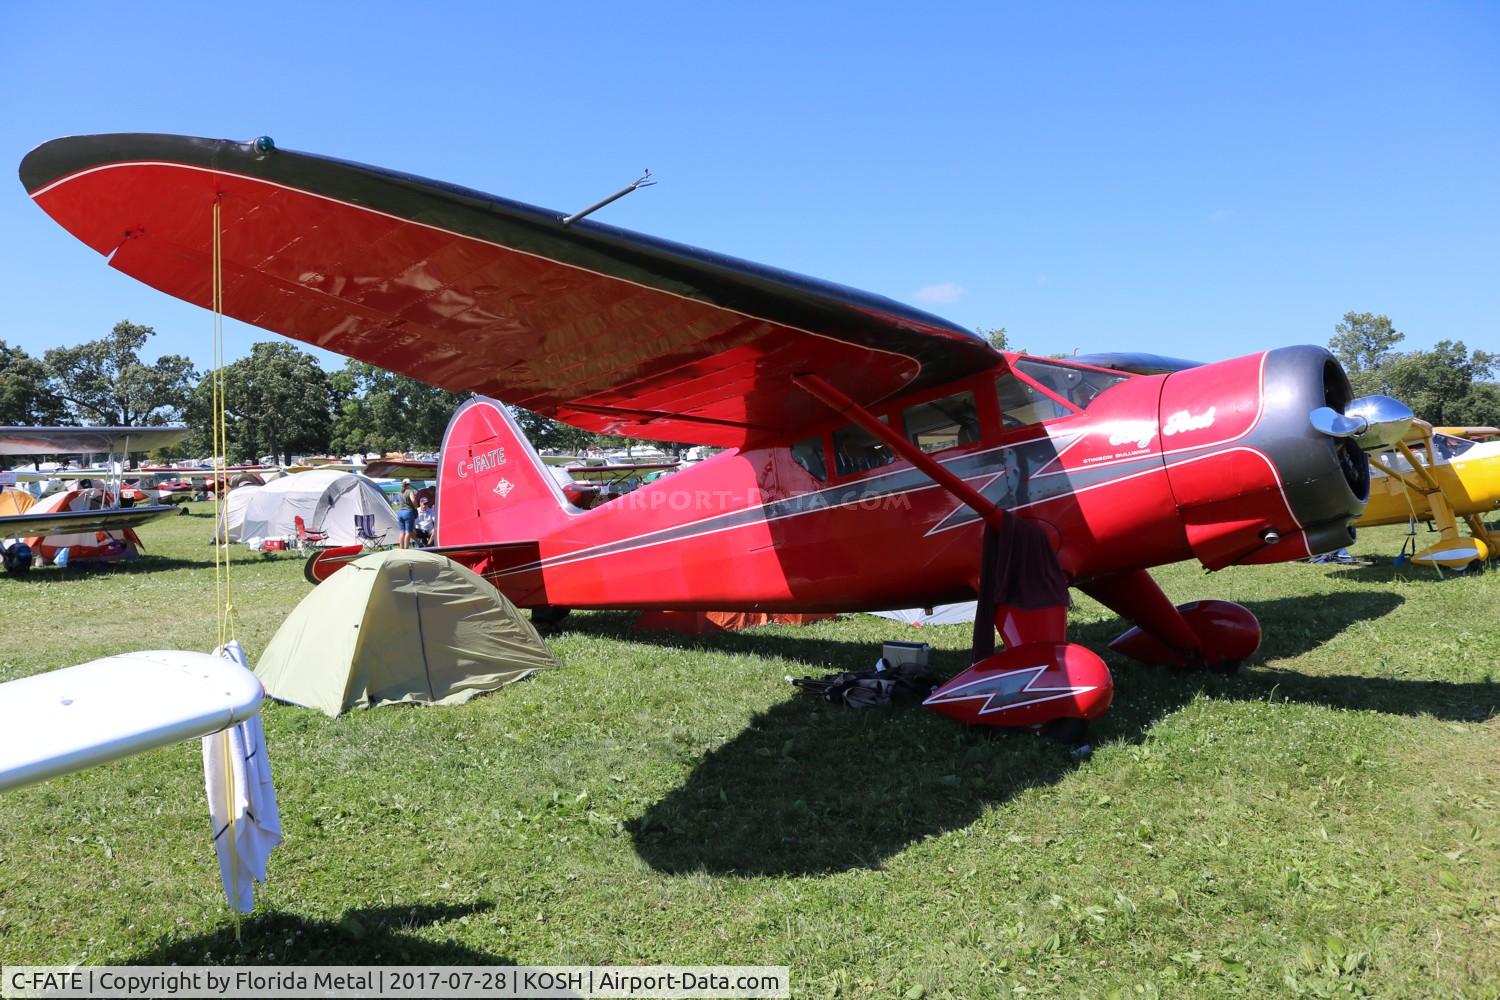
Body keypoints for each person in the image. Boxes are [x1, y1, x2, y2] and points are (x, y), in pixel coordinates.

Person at [396, 479, 419, 549]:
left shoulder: (399, 492)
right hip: (408, 512)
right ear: (409, 484)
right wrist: (416, 506)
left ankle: (401, 548)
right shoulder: (410, 491)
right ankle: (406, 549)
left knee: (402, 532)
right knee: (408, 532)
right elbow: (413, 500)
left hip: (400, 512)